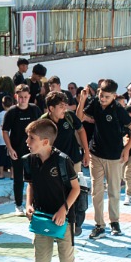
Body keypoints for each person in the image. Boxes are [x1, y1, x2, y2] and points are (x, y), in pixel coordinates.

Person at [22, 118, 88, 262]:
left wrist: (63, 209)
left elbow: (76, 189)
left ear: (45, 142)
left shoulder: (62, 161)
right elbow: (30, 184)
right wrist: (28, 204)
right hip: (41, 219)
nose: (27, 142)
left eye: (31, 138)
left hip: (62, 219)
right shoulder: (31, 160)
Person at [78, 79, 131, 238]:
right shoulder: (95, 104)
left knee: (113, 191)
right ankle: (99, 225)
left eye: (106, 96)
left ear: (113, 96)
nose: (102, 99)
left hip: (114, 157)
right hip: (96, 154)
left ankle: (115, 222)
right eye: (100, 95)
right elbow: (79, 119)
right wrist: (82, 99)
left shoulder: (118, 110)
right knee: (96, 191)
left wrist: (127, 149)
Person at [43, 91, 90, 235]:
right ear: (51, 108)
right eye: (61, 106)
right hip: (53, 164)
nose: (65, 109)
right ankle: (57, 222)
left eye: (65, 105)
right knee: (56, 193)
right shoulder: (44, 123)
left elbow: (81, 130)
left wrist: (86, 152)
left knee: (75, 193)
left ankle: (75, 224)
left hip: (73, 161)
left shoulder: (69, 117)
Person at [0, 82, 42, 211]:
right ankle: (18, 204)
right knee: (18, 179)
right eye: (20, 97)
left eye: (25, 97)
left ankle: (37, 203)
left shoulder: (35, 109)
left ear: (29, 96)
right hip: (17, 150)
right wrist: (10, 148)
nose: (23, 99)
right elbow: (5, 131)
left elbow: (41, 128)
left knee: (36, 178)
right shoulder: (11, 112)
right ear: (15, 97)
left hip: (34, 150)